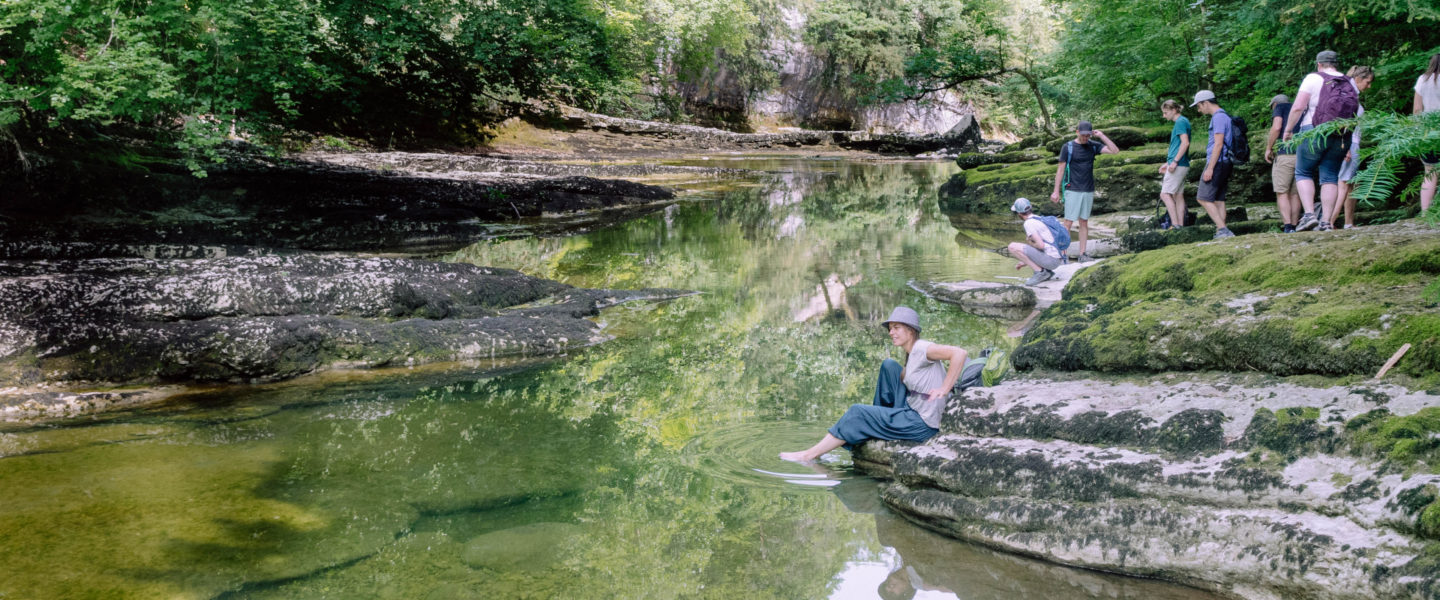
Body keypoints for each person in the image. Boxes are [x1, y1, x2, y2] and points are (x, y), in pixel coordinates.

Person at [779, 307, 967, 463]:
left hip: (923, 424)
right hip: (915, 410)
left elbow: (959, 353)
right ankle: (877, 423)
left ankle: (808, 455)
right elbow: (906, 377)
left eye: (896, 328)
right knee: (889, 366)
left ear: (911, 330)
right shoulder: (911, 353)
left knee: (857, 412)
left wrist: (945, 387)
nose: (891, 333)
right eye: (890, 329)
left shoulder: (922, 348)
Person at [1285, 50, 1356, 232]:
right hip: (1342, 135)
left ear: (1319, 64)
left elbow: (1298, 107)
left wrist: (1288, 130)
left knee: (1303, 171)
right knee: (1330, 176)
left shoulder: (1313, 78)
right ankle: (1326, 222)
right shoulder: (1349, 82)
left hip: (1314, 130)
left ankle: (1309, 215)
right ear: (1336, 64)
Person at [1049, 120, 1119, 262]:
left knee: (1084, 222)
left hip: (1088, 189)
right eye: (1083, 135)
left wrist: (1102, 136)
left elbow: (1115, 151)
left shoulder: (1093, 146)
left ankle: (1082, 254)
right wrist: (1056, 191)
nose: (1085, 138)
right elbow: (1060, 169)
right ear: (1077, 132)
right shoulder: (1067, 147)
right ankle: (1062, 254)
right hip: (1072, 189)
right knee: (1068, 223)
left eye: (1088, 135)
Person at [1190, 90, 1236, 238]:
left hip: (1217, 162)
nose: (1199, 110)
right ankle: (1221, 231)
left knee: (1202, 197)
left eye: (1199, 106)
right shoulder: (1225, 116)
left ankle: (1223, 229)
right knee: (1218, 199)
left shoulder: (1218, 118)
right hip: (1225, 161)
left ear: (1206, 102)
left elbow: (1218, 144)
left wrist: (1210, 168)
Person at [1336, 65, 1374, 229]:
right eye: (1368, 82)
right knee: (1344, 185)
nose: (1369, 86)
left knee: (1350, 185)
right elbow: (1344, 124)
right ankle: (1329, 221)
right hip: (1350, 144)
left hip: (1352, 144)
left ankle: (1348, 222)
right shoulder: (1349, 97)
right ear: (1357, 79)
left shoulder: (1351, 96)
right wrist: (1348, 147)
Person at [1264, 94, 1302, 232]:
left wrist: (1269, 148)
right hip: (1301, 154)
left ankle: (1287, 226)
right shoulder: (1301, 109)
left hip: (1285, 154)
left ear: (1274, 104)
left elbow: (1276, 127)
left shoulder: (1280, 107)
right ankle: (1294, 225)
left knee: (1282, 192)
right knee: (1295, 194)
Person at [1006, 197, 1062, 286]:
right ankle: (1046, 271)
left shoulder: (1028, 223)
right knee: (1026, 246)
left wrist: (1030, 242)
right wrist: (1025, 262)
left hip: (1051, 260)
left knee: (1012, 246)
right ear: (1031, 207)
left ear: (1019, 213)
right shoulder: (1038, 218)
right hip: (1057, 259)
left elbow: (1041, 245)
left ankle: (1040, 272)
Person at [1158, 100, 1191, 230]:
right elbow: (1178, 145)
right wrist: (1168, 163)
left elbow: (1185, 143)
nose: (1164, 116)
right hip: (1180, 163)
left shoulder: (1180, 122)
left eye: (1166, 113)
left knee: (1165, 194)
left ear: (1174, 110)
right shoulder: (1183, 121)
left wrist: (1175, 162)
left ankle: (1176, 224)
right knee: (1178, 195)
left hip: (1178, 164)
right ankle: (1180, 225)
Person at [1416, 53, 1440, 213]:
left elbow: (1417, 110)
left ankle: (1425, 212)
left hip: (1427, 133)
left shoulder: (1422, 80)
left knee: (1429, 173)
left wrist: (1417, 135)